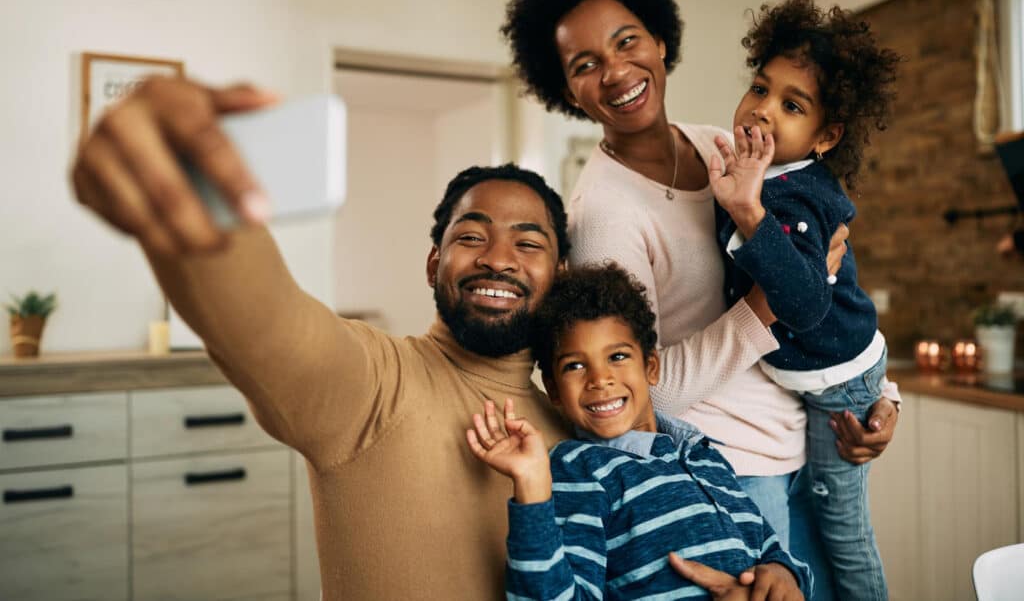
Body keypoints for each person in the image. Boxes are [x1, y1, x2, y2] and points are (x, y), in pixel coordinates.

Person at [69, 81, 777, 599]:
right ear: (434, 263)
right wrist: (184, 196)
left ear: (558, 273)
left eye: (528, 243)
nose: (499, 257)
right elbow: (262, 317)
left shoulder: (583, 425)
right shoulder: (369, 383)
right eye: (471, 237)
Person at [501, 0, 901, 599]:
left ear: (660, 40)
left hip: (810, 436)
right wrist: (769, 307)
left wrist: (877, 398)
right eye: (584, 63)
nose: (616, 70)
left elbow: (832, 276)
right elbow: (640, 389)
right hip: (731, 475)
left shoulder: (725, 146)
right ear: (566, 88)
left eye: (628, 41)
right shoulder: (604, 215)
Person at [708, 0, 900, 601]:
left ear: (826, 137)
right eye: (760, 89)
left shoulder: (789, 197)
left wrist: (745, 210)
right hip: (823, 375)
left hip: (838, 382)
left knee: (843, 530)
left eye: (791, 105)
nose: (763, 111)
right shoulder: (763, 176)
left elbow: (805, 304)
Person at [466, 264, 809, 600]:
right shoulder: (580, 468)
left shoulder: (704, 454)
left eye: (617, 356)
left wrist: (783, 572)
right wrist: (531, 489)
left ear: (651, 367)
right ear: (554, 391)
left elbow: (767, 546)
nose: (600, 379)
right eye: (576, 365)